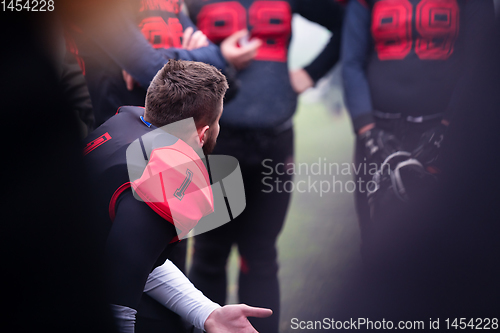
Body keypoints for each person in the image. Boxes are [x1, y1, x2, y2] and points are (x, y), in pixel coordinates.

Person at [183, 1, 344, 331]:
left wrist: (310, 73)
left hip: (275, 140)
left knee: (261, 256)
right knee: (209, 254)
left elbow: (347, 23)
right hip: (218, 143)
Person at [84, 59, 272, 333]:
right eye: (217, 122)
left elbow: (133, 258)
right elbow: (117, 305)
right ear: (203, 132)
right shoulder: (161, 178)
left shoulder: (126, 127)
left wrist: (206, 312)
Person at [341, 0, 495, 259]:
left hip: (444, 135)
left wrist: (451, 127)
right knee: (375, 243)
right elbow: (351, 62)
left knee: (448, 248)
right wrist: (367, 130)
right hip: (378, 135)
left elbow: (482, 61)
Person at [68, 0, 261, 126]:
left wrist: (161, 55)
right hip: (123, 136)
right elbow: (152, 71)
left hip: (176, 134)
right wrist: (196, 57)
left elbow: (219, 68)